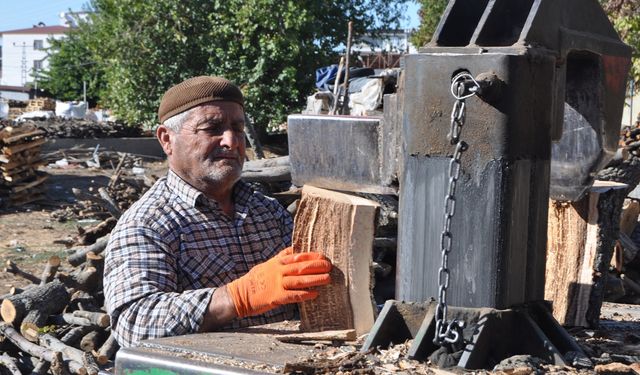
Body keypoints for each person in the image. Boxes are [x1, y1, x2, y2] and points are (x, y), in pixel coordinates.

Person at [104, 76, 332, 348]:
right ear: (167, 139)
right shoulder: (147, 224)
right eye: (212, 128)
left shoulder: (267, 212)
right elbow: (134, 322)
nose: (231, 141)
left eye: (238, 128)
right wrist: (237, 298)